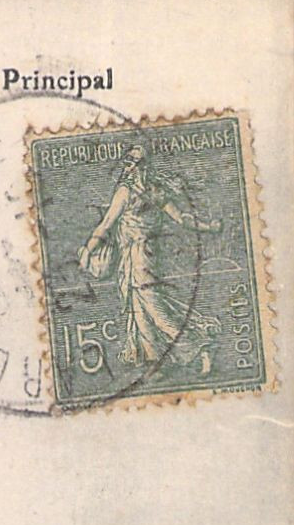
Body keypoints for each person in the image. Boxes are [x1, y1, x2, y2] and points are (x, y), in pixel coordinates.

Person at [78, 145, 224, 376]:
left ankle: (200, 345)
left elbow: (107, 224)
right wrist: (208, 227)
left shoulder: (127, 192)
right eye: (131, 161)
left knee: (154, 309)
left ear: (136, 166)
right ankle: (155, 361)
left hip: (140, 257)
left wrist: (87, 249)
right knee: (139, 308)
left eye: (133, 162)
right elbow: (182, 219)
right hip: (142, 256)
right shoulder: (155, 190)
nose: (131, 166)